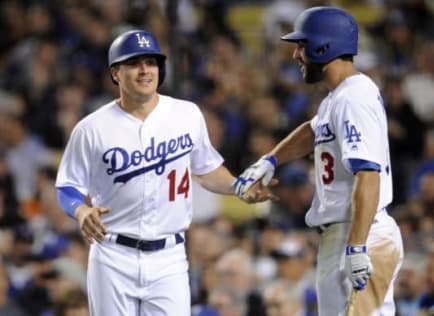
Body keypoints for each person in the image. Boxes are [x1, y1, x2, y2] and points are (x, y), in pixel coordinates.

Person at [55, 29, 274, 316]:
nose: (145, 70)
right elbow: (67, 186)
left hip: (169, 255)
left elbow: (206, 169)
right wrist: (81, 211)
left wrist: (238, 187)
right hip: (113, 253)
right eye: (134, 63)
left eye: (151, 62)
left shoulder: (187, 114)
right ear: (115, 73)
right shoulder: (92, 128)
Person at [234, 6, 404, 315]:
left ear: (323, 46)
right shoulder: (337, 98)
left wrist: (356, 246)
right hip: (341, 234)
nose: (296, 55)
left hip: (362, 232)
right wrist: (271, 160)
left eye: (302, 45)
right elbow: (312, 131)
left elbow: (368, 174)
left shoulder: (355, 96)